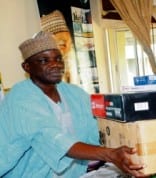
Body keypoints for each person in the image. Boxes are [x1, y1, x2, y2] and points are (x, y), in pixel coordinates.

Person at [0, 31, 145, 177]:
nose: (55, 64)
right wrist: (110, 154)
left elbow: (101, 129)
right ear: (27, 67)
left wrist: (134, 150)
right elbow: (51, 137)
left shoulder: (74, 93)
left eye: (58, 59)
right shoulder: (20, 97)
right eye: (44, 60)